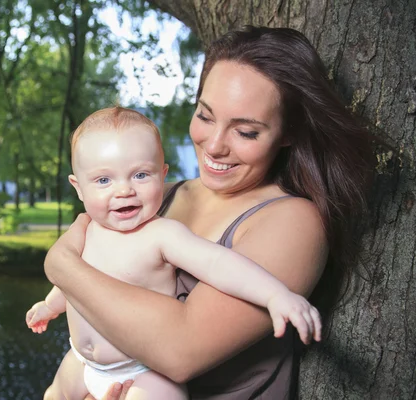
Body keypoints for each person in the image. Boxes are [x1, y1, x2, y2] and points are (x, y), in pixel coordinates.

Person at [42, 26, 373, 400]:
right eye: (205, 115)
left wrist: (61, 265)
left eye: (246, 132)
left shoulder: (294, 221)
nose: (214, 146)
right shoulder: (154, 195)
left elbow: (178, 352)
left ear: (288, 132)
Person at [26, 106, 322, 400]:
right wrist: (50, 305)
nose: (124, 190)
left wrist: (273, 295)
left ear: (162, 174)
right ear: (79, 188)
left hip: (142, 371)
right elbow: (75, 282)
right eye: (104, 180)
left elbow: (219, 264)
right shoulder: (87, 228)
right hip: (83, 361)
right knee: (54, 394)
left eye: (140, 175)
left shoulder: (162, 234)